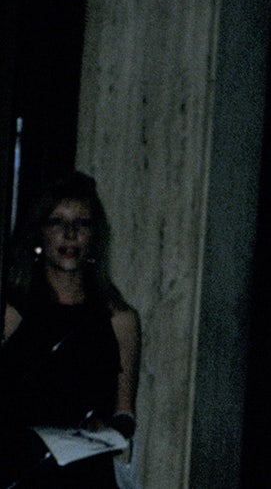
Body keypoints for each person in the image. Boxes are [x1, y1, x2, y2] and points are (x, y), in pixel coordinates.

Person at [1, 171, 141, 488]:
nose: (70, 234)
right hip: (22, 471)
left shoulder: (120, 320)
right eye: (57, 223)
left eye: (82, 223)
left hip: (86, 473)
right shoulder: (12, 312)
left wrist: (108, 427)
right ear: (40, 234)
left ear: (94, 236)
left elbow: (125, 414)